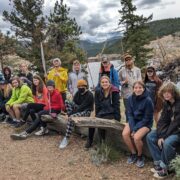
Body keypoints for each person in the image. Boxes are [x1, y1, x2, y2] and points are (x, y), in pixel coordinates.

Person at [146, 82, 180, 179]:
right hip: (170, 129)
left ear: (174, 92)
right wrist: (160, 135)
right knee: (150, 136)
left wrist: (164, 137)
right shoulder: (167, 103)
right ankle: (159, 163)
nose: (166, 94)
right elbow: (162, 121)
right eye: (164, 92)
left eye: (169, 92)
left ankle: (167, 169)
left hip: (177, 130)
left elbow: (176, 124)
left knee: (167, 143)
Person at [122, 81, 154, 168]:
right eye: (136, 88)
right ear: (133, 89)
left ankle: (140, 156)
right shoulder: (129, 99)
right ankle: (133, 153)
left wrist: (135, 129)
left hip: (145, 123)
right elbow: (130, 114)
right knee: (125, 134)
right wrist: (133, 128)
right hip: (133, 121)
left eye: (140, 87)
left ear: (143, 89)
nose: (138, 89)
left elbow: (147, 118)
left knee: (136, 137)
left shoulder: (148, 100)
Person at [85, 75, 120, 149]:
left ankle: (101, 143)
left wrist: (117, 119)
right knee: (92, 121)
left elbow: (116, 106)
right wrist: (96, 115)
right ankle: (89, 140)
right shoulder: (98, 91)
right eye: (103, 82)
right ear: (100, 83)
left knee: (100, 122)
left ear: (109, 82)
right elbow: (97, 104)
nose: (104, 84)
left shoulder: (114, 91)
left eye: (106, 82)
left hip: (111, 113)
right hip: (101, 112)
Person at [59, 79, 94, 149]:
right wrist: (70, 112)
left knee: (71, 117)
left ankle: (66, 138)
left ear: (85, 86)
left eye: (82, 86)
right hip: (78, 109)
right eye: (79, 86)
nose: (80, 88)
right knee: (67, 101)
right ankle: (70, 116)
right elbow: (73, 102)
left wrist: (71, 114)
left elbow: (82, 107)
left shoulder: (89, 95)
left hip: (86, 111)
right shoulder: (78, 93)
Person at [119, 53, 142, 121]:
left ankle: (137, 122)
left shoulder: (137, 70)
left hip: (136, 93)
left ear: (132, 60)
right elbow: (118, 82)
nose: (128, 61)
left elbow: (140, 81)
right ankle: (128, 123)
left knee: (137, 108)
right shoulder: (121, 71)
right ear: (125, 62)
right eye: (126, 60)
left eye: (129, 60)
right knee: (128, 110)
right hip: (126, 94)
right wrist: (123, 82)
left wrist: (137, 85)